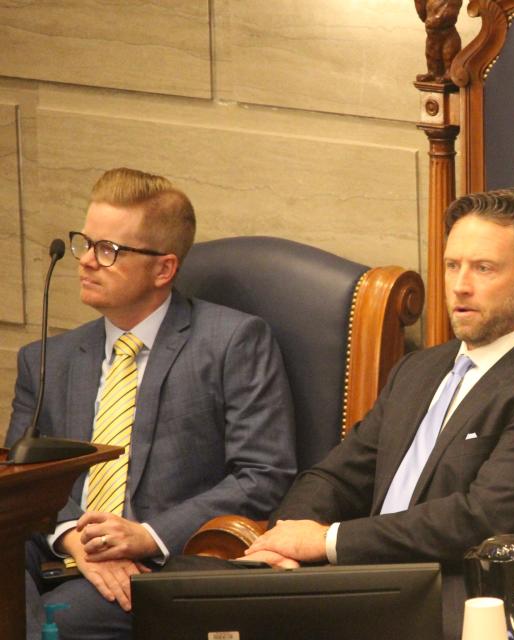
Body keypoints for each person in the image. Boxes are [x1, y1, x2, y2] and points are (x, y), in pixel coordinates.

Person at [242, 188, 514, 637]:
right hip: (355, 584)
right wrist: (286, 541)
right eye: (453, 265)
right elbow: (336, 476)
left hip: (450, 602)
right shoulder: (419, 369)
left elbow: (479, 519)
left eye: (484, 268)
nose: (460, 285)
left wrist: (327, 541)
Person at [7, 168, 297, 638]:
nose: (86, 262)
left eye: (109, 251)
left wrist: (146, 535)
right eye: (85, 243)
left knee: (57, 621)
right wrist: (71, 536)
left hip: (155, 565)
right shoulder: (47, 359)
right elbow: (19, 486)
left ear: (163, 268)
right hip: (54, 549)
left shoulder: (232, 342)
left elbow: (263, 475)